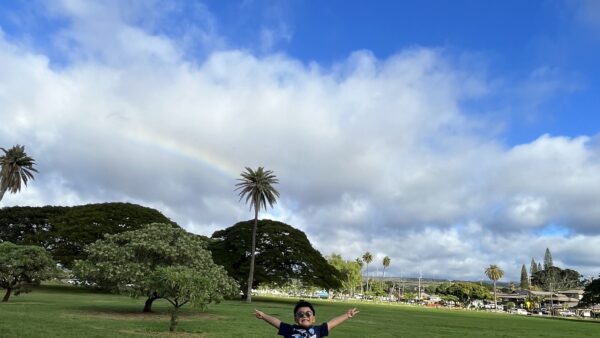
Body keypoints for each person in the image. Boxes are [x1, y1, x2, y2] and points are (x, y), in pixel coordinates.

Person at [255, 300, 359, 338]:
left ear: (313, 318)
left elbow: (332, 323)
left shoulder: (318, 330)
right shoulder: (290, 329)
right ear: (296, 319)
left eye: (308, 314)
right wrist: (264, 315)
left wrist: (346, 315)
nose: (304, 316)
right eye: (300, 314)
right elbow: (277, 322)